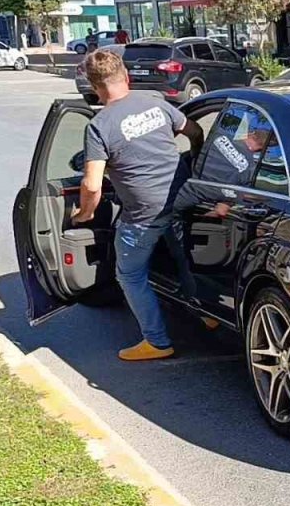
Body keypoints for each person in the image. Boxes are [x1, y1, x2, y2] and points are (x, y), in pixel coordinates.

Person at [74, 49, 206, 361]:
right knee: (183, 257)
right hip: (182, 199)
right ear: (126, 77)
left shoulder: (100, 125)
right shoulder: (156, 104)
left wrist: (85, 214)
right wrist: (196, 158)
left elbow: (92, 184)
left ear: (95, 87)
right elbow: (195, 131)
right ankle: (205, 311)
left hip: (143, 216)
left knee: (130, 275)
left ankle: (157, 342)